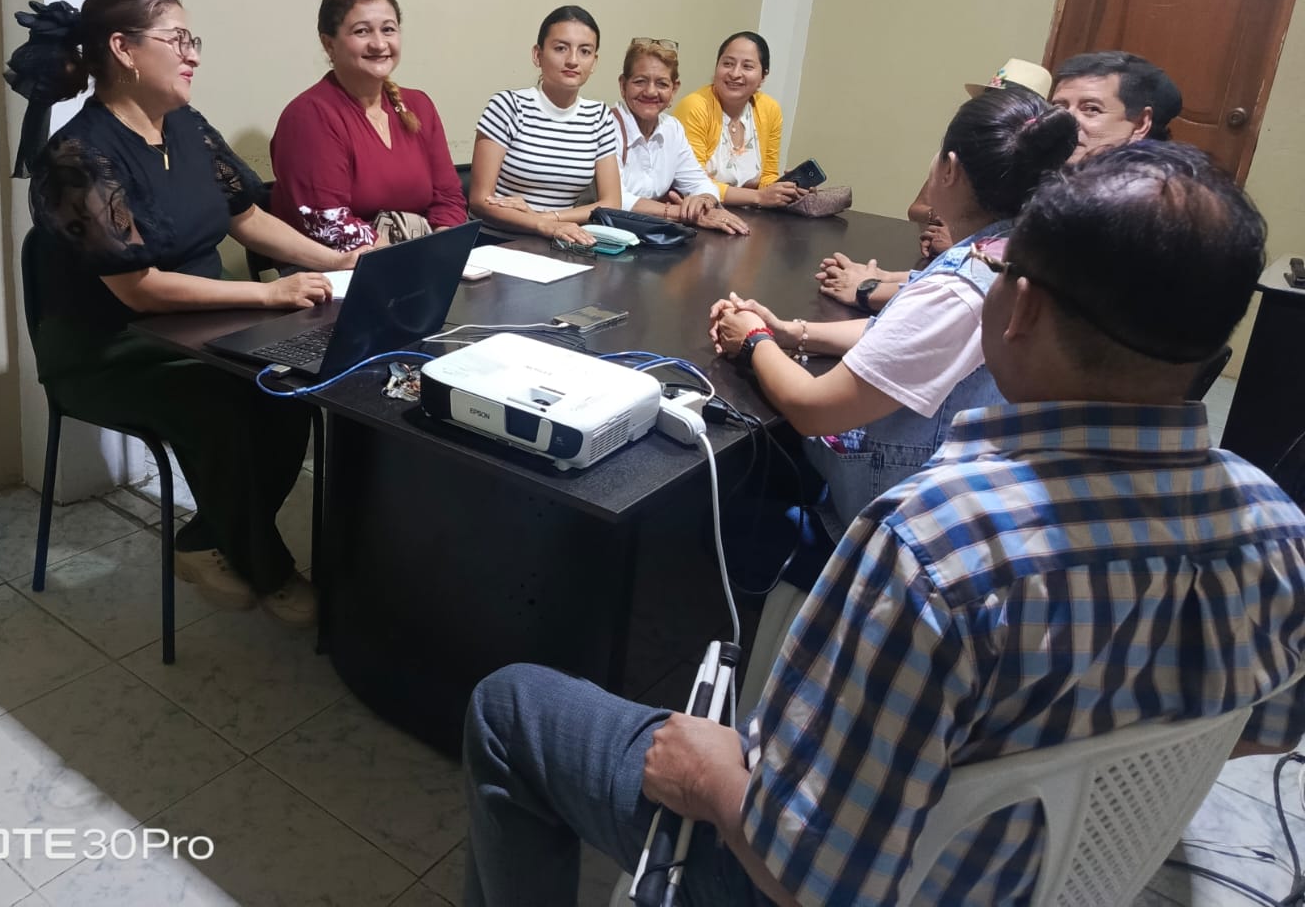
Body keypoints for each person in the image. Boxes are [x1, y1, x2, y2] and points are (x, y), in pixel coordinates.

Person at [463, 141, 1305, 907]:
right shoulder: (1276, 528)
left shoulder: (933, 548)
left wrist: (712, 778)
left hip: (822, 883)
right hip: (1061, 880)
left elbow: (809, 875)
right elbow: (1259, 730)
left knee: (511, 707)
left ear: (1020, 310)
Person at [7, 0, 363, 628]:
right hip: (111, 346)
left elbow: (247, 216)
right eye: (177, 40)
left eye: (192, 40)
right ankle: (267, 567)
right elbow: (138, 288)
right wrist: (267, 292)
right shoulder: (78, 158)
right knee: (220, 411)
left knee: (290, 395)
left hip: (208, 325)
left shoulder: (188, 128)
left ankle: (207, 539)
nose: (192, 53)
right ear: (124, 49)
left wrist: (335, 261)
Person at [710, 86, 1076, 535]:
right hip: (963, 487)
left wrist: (754, 340)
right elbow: (900, 334)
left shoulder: (961, 289)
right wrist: (792, 332)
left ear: (950, 169)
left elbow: (812, 410)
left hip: (898, 513)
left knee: (728, 513)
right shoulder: (1015, 250)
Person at [816, 58, 1052, 314]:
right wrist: (888, 276)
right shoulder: (967, 154)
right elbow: (917, 210)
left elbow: (959, 287)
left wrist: (869, 289)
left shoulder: (989, 262)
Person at [270, 0, 468, 249]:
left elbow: (449, 199)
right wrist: (403, 258)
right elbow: (329, 223)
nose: (379, 44)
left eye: (388, 29)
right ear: (329, 44)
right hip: (337, 267)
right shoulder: (309, 116)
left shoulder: (419, 105)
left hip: (417, 256)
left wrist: (440, 249)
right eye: (362, 31)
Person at [469, 6, 622, 244]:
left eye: (585, 51)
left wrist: (547, 218)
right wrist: (543, 225)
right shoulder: (508, 106)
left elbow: (612, 203)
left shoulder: (598, 116)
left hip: (559, 242)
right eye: (560, 48)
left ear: (594, 62)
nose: (572, 60)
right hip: (496, 242)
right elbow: (479, 201)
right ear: (537, 55)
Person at [611, 38, 749, 235]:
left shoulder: (672, 128)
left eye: (662, 84)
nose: (650, 91)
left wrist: (703, 202)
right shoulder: (606, 126)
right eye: (640, 81)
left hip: (650, 235)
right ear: (623, 85)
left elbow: (700, 182)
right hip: (603, 236)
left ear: (674, 89)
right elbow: (615, 199)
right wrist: (680, 213)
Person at [672, 31, 806, 210]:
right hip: (700, 210)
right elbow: (692, 183)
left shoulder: (770, 109)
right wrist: (758, 197)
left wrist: (786, 188)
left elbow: (767, 176)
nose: (735, 73)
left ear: (763, 76)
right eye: (727, 64)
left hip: (752, 214)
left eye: (747, 66)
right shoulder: (695, 106)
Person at [1049, 48, 1183, 160]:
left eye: (1091, 109)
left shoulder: (1154, 183)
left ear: (1141, 124)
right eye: (1059, 107)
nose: (1064, 120)